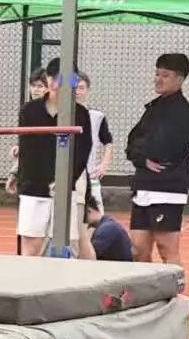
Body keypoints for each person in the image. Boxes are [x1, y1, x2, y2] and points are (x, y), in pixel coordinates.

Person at [11, 59, 94, 259]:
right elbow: (28, 149)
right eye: (55, 79)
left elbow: (83, 151)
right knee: (31, 248)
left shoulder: (81, 114)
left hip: (66, 189)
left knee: (68, 245)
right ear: (48, 80)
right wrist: (22, 176)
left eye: (67, 79)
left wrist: (66, 180)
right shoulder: (30, 110)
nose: (60, 84)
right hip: (34, 188)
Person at [126, 52, 189, 265]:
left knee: (167, 248)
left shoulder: (183, 112)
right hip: (143, 185)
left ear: (180, 79)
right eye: (157, 74)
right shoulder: (153, 107)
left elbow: (166, 147)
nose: (158, 79)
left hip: (167, 188)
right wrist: (141, 159)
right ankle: (143, 286)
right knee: (138, 249)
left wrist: (144, 152)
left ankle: (176, 285)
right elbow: (132, 140)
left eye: (165, 75)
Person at [75, 73, 114, 212]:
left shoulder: (97, 116)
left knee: (95, 217)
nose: (77, 91)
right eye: (74, 88)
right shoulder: (60, 115)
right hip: (66, 178)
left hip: (90, 174)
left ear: (87, 90)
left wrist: (104, 164)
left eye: (81, 88)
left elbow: (108, 142)